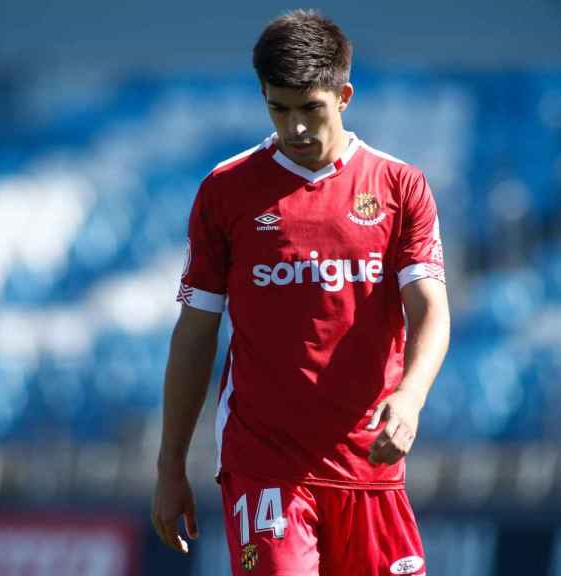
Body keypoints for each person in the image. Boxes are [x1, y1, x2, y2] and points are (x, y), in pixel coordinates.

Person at [151, 9, 450, 575]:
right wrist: (170, 466)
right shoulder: (227, 191)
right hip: (266, 465)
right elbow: (195, 333)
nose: (295, 129)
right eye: (278, 109)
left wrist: (409, 399)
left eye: (310, 108)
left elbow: (430, 308)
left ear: (344, 95)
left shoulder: (398, 186)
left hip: (368, 464)